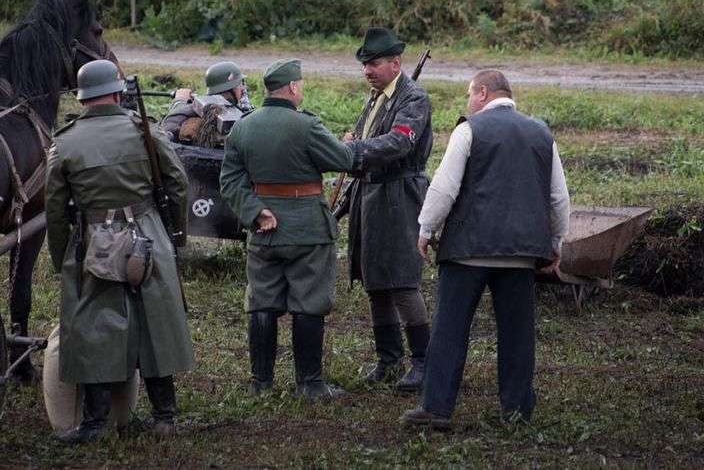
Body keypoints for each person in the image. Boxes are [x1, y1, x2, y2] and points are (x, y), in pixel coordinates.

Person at [401, 69, 569, 430]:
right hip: (521, 254)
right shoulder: (542, 133)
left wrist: (426, 229)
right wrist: (556, 242)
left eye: (468, 94)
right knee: (517, 336)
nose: (467, 102)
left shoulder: (469, 129)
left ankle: (436, 408)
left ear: (481, 92)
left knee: (449, 330)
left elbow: (445, 188)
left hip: (467, 250)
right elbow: (558, 197)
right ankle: (517, 412)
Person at [45, 59, 195, 443]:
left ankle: (95, 423)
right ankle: (165, 416)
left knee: (92, 326)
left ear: (83, 98)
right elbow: (178, 181)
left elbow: (55, 209)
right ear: (116, 92)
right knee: (155, 320)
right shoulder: (144, 130)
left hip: (93, 239)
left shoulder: (64, 143)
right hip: (147, 231)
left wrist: (63, 258)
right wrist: (174, 235)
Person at [220, 58, 359, 399]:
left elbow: (229, 181)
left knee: (262, 302)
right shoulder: (306, 126)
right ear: (294, 87)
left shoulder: (244, 127)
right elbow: (344, 160)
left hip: (263, 229)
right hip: (307, 229)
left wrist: (255, 211)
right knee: (309, 302)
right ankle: (309, 384)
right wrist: (344, 143)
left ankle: (261, 384)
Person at [342, 27, 433, 392]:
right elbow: (369, 136)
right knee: (373, 279)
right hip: (370, 194)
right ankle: (389, 360)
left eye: (374, 63)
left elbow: (398, 142)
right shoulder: (376, 96)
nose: (368, 70)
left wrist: (354, 151)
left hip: (399, 195)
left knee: (402, 280)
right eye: (365, 64)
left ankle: (424, 363)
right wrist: (354, 143)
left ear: (396, 63)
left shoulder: (414, 99)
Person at [161, 61, 252, 143]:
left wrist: (179, 100)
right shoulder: (244, 116)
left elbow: (168, 125)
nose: (242, 88)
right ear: (232, 87)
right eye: (239, 84)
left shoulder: (195, 109)